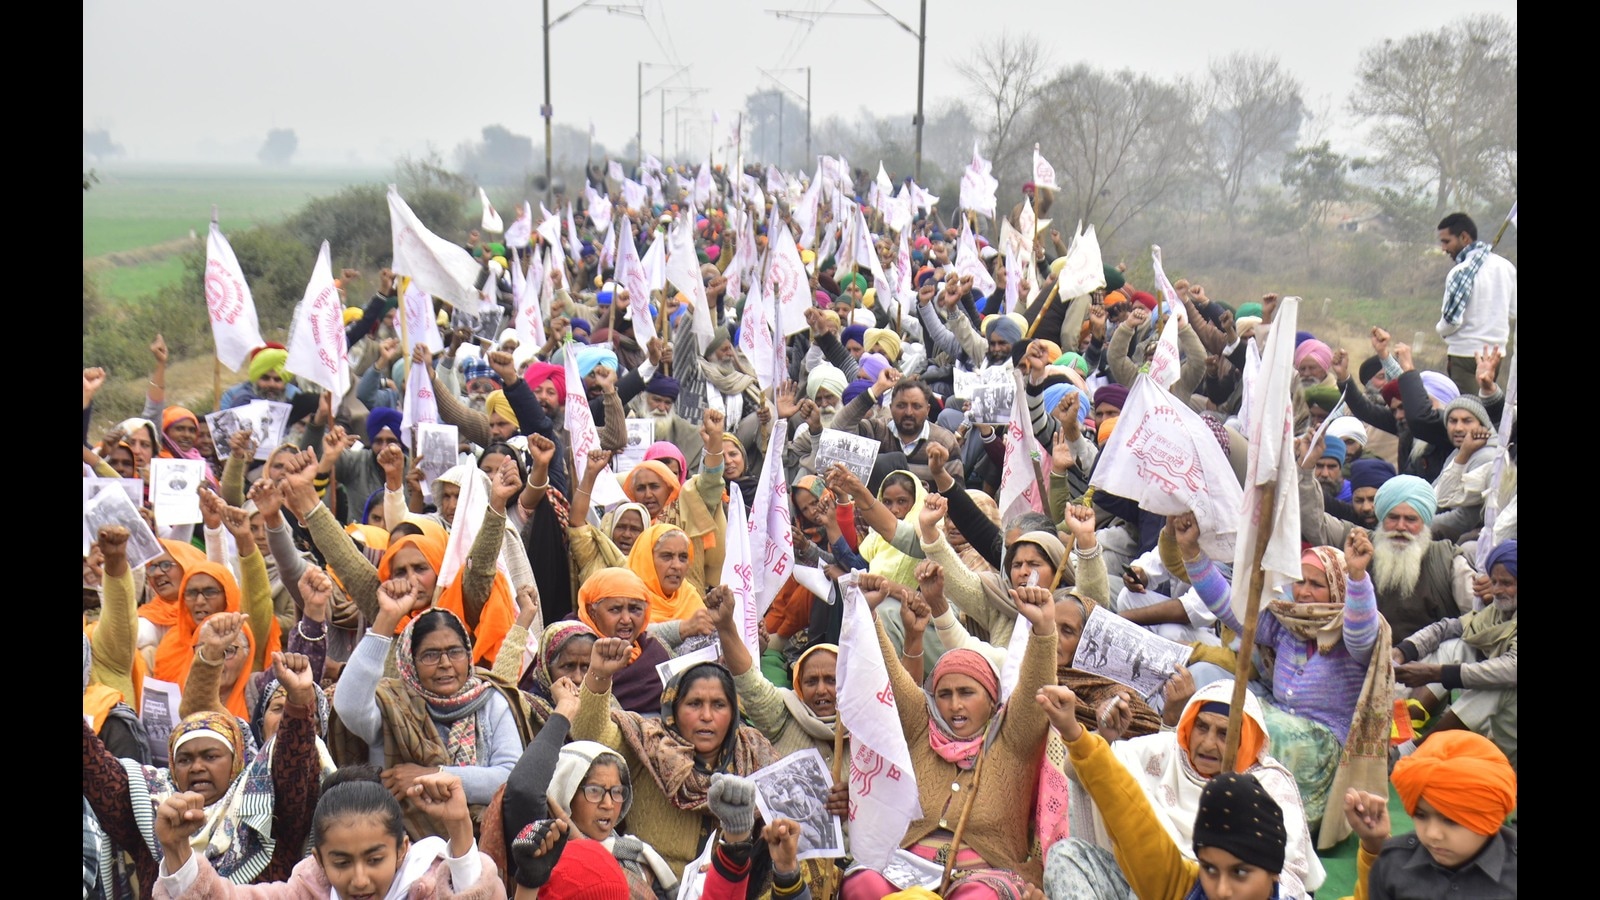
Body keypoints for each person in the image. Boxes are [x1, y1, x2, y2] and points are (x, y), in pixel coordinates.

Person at [1175, 513, 1391, 847]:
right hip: (1276, 718)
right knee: (1216, 709)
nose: (1303, 592)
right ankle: (1203, 805)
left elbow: (1363, 634)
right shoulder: (1286, 623)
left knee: (1253, 726)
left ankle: (1253, 823)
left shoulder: (1349, 632)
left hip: (1321, 743)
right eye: (1299, 582)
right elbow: (1229, 608)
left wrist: (1358, 575)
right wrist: (1192, 553)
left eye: (1316, 584)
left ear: (1338, 587)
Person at [841, 583, 1058, 898]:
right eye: (944, 694)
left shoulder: (1014, 739)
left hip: (982, 878)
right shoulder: (921, 726)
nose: (954, 705)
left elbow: (1037, 690)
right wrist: (871, 615)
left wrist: (1043, 629)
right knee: (862, 884)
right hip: (908, 871)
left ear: (992, 699)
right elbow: (889, 676)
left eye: (967, 693)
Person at [1050, 680, 1323, 899]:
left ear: (1246, 739)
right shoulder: (1165, 752)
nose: (1206, 743)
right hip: (1157, 883)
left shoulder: (1269, 784)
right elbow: (1093, 782)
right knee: (1066, 857)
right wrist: (1096, 737)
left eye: (1224, 734)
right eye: (1201, 727)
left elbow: (1287, 874)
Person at [82, 653, 322, 894]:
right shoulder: (149, 809)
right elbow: (96, 771)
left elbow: (294, 767)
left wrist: (299, 700)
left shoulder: (266, 807)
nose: (196, 767)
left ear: (237, 761)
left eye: (210, 756)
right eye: (185, 759)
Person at [331, 594, 534, 840]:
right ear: (410, 661)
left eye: (454, 652)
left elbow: (510, 777)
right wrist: (386, 620)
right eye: (430, 655)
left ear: (468, 655)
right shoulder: (392, 705)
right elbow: (349, 705)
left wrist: (433, 775)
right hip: (402, 852)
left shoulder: (490, 701)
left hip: (481, 847)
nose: (445, 663)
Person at [571, 638, 779, 879]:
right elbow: (590, 735)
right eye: (694, 704)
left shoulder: (754, 753)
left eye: (719, 705)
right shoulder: (648, 743)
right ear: (673, 709)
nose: (707, 716)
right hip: (649, 887)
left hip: (730, 887)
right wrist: (599, 675)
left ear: (733, 712)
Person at [152, 766, 507, 899]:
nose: (359, 879)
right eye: (341, 862)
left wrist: (459, 828)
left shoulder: (426, 887)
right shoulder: (307, 891)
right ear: (319, 859)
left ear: (401, 850)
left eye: (374, 859)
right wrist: (176, 850)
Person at [1343, 731, 1516, 899]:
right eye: (1421, 815)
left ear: (1489, 818)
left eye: (1452, 820)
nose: (1432, 834)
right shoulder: (1393, 863)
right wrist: (1373, 843)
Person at [1391, 540, 1516, 767]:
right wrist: (1402, 651)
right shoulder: (1497, 614)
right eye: (1494, 581)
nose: (1497, 590)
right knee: (1456, 646)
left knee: (1497, 685)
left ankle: (1412, 752)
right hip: (1500, 726)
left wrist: (1436, 673)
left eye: (1506, 583)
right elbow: (1448, 627)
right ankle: (1407, 724)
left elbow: (1511, 669)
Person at [707, 584, 840, 763]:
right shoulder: (782, 718)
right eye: (811, 681)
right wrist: (725, 627)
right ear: (799, 686)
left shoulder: (865, 728)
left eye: (831, 680)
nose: (821, 690)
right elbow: (749, 681)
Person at [1434, 213, 1516, 395]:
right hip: (1495, 355)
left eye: (1446, 241)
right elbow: (1513, 312)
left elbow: (1451, 322)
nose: (1443, 248)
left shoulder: (1460, 272)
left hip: (1465, 354)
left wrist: (1440, 331)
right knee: (1487, 405)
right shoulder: (1506, 267)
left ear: (1464, 237)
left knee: (1469, 412)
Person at [220, 343, 301, 410]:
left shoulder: (296, 397)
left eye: (277, 380)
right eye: (265, 378)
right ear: (255, 378)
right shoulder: (232, 397)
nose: (271, 384)